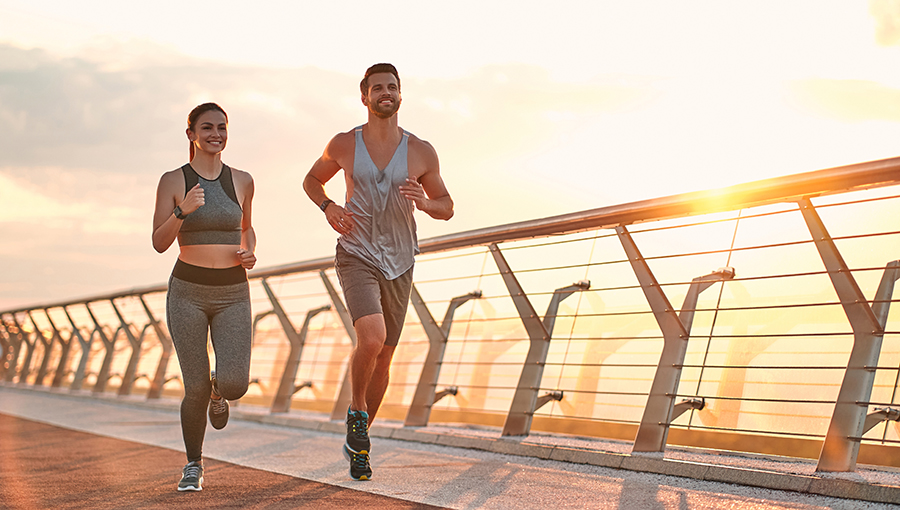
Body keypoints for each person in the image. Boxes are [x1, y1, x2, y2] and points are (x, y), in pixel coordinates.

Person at [304, 63, 454, 481]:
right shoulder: (342, 144)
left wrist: (424, 203)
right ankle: (357, 411)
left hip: (400, 262)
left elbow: (447, 206)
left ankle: (359, 444)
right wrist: (329, 206)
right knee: (372, 336)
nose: (385, 93)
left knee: (385, 355)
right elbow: (312, 180)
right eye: (378, 88)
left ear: (400, 95)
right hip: (356, 254)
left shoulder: (422, 151)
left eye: (393, 87)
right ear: (364, 95)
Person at [152, 102, 257, 492]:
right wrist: (181, 211)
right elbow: (159, 243)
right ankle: (193, 463)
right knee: (193, 387)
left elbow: (247, 228)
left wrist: (249, 251)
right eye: (208, 127)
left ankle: (220, 389)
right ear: (191, 134)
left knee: (235, 384)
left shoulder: (243, 180)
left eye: (222, 127)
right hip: (188, 293)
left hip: (233, 292)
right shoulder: (173, 180)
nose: (216, 134)